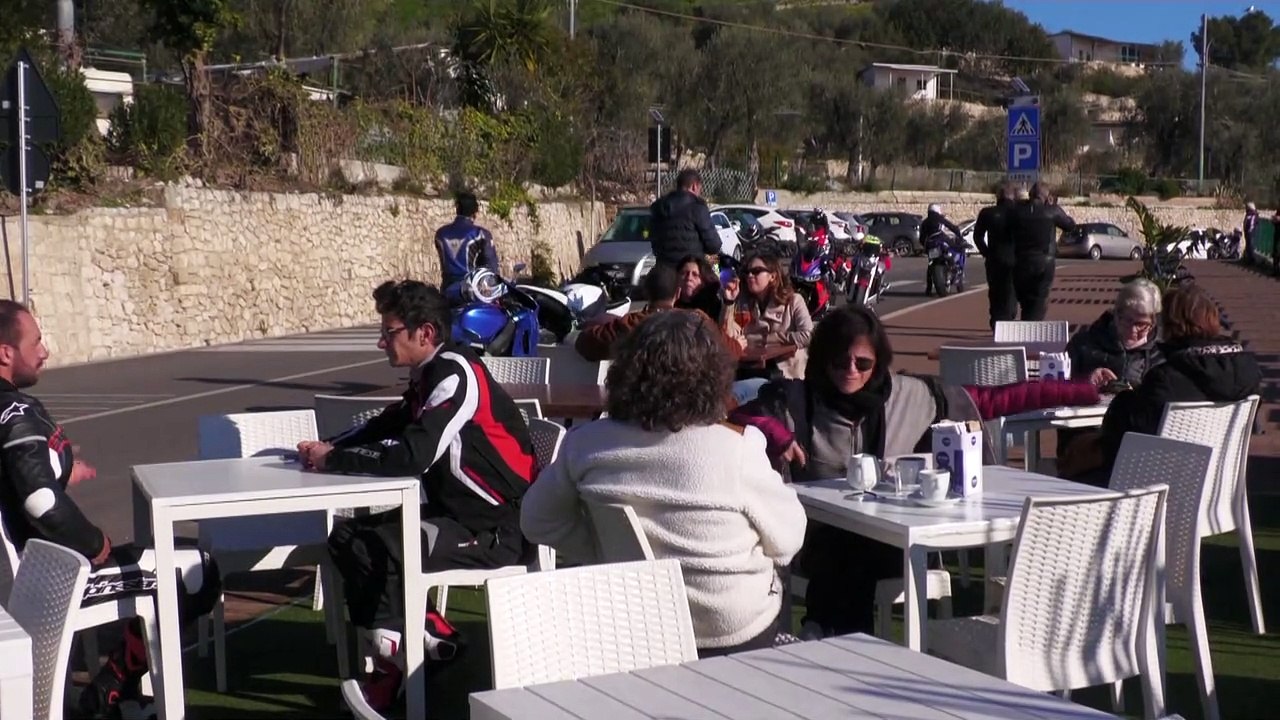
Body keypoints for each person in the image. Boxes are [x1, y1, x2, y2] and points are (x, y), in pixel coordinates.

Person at [728, 305, 1099, 636]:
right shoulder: (794, 399)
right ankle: (840, 638)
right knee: (844, 547)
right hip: (817, 535)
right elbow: (734, 417)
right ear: (823, 359)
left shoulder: (911, 396)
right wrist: (775, 432)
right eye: (839, 362)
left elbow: (993, 400)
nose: (850, 371)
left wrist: (1080, 391)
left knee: (857, 550)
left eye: (862, 363)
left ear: (878, 362)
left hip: (886, 537)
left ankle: (823, 631)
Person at [303, 280, 536, 710]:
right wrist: (329, 447)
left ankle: (395, 672)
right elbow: (390, 423)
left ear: (424, 333)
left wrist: (333, 460)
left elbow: (412, 455)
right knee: (347, 537)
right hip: (456, 516)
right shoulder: (429, 375)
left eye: (388, 332)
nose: (380, 342)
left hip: (496, 528)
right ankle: (433, 639)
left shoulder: (455, 374)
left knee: (380, 547)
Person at [522, 310, 806, 657]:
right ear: (713, 376)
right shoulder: (737, 449)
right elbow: (789, 541)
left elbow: (536, 521)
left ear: (626, 370)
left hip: (633, 626)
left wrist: (608, 552)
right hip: (730, 631)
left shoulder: (585, 443)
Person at [0, 301, 221, 718]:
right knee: (197, 570)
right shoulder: (16, 413)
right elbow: (39, 501)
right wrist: (93, 541)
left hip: (22, 573)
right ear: (5, 353)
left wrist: (61, 472)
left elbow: (17, 481)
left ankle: (120, 688)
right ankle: (114, 682)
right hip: (48, 579)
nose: (44, 351)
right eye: (36, 341)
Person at [1093, 284, 1261, 477]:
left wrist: (1126, 398)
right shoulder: (1249, 373)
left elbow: (1122, 435)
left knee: (1083, 455)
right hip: (1220, 482)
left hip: (1159, 486)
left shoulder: (1166, 379)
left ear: (1170, 327)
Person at [576, 263, 744, 362]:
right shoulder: (698, 321)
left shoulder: (631, 325)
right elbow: (728, 351)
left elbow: (585, 344)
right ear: (677, 293)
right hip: (691, 408)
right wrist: (738, 346)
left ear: (646, 293)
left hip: (641, 408)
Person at [1067, 279, 1163, 388]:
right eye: (1127, 321)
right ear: (1116, 314)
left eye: (1141, 324)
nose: (1133, 330)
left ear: (1153, 322)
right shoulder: (1083, 344)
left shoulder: (1161, 352)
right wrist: (1086, 381)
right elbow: (1060, 385)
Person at [733, 252, 814, 379]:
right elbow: (729, 336)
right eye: (747, 272)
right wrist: (728, 302)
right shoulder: (743, 303)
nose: (750, 275)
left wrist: (770, 339)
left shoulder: (793, 301)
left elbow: (808, 335)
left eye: (756, 271)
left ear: (772, 276)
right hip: (750, 370)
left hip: (788, 375)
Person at [1009, 183, 1076, 321]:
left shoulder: (1017, 211)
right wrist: (1054, 206)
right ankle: (1032, 332)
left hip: (1021, 262)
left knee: (1025, 301)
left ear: (1031, 194)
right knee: (1039, 301)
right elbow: (1070, 225)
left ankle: (1026, 325)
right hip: (1044, 262)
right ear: (1046, 197)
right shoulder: (1051, 211)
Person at [435, 191, 500, 304]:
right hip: (471, 292)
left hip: (447, 291)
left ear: (457, 208)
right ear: (475, 211)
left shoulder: (441, 234)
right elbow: (491, 266)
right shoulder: (480, 234)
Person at [649, 169, 722, 267]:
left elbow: (654, 239)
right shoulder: (697, 207)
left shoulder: (659, 207)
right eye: (699, 189)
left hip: (664, 267)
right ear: (694, 186)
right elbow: (714, 245)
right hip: (690, 269)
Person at [973, 184, 1018, 328]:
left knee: (995, 291)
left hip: (995, 258)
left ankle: (996, 321)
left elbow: (977, 237)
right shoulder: (1019, 212)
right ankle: (1009, 319)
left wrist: (986, 253)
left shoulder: (987, 213)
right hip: (1015, 258)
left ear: (998, 197)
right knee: (1012, 291)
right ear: (1013, 197)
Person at [675, 254, 725, 322]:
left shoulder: (713, 307)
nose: (689, 278)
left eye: (695, 275)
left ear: (703, 281)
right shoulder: (667, 302)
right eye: (684, 273)